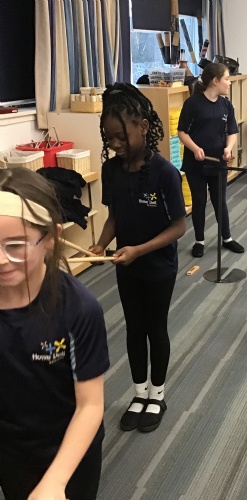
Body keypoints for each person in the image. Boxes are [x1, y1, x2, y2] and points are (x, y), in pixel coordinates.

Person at [0, 167, 109, 499]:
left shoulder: (78, 309)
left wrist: (56, 481)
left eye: (15, 246)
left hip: (67, 450)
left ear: (49, 238)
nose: (1, 260)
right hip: (11, 449)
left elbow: (90, 406)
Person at [90, 83, 186, 433]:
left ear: (143, 127)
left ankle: (157, 395)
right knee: (134, 329)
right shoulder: (112, 170)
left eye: (120, 136)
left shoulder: (164, 173)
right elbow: (114, 218)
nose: (114, 144)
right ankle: (139, 393)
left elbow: (179, 227)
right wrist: (101, 244)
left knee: (155, 329)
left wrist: (139, 250)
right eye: (109, 138)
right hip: (125, 265)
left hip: (158, 267)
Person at [178, 62, 244, 258]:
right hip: (195, 163)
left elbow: (232, 132)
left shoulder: (226, 105)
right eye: (226, 79)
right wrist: (195, 148)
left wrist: (228, 148)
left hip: (218, 162)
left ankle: (227, 238)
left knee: (220, 201)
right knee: (199, 201)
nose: (229, 83)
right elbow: (182, 132)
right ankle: (199, 241)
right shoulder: (193, 103)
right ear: (215, 81)